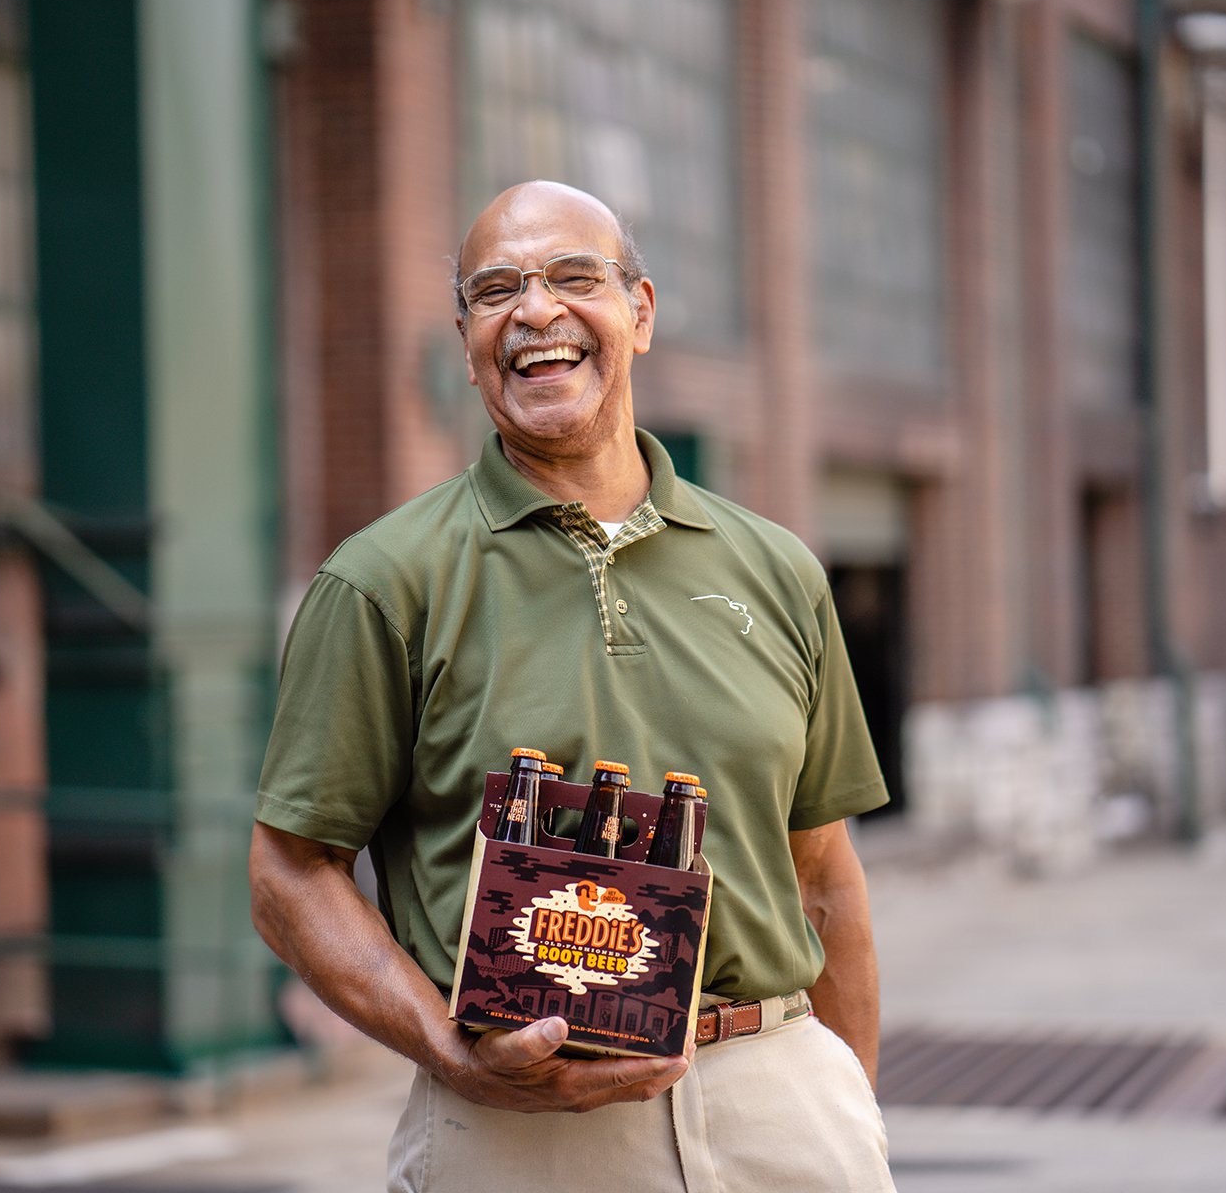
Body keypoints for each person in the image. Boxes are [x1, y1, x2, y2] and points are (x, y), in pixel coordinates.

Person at [251, 180, 895, 1191]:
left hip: (778, 1100)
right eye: (497, 289)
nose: (536, 311)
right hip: (519, 1130)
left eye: (572, 278)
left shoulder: (777, 570)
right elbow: (290, 874)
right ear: (466, 337)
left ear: (639, 312)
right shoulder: (382, 582)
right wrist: (450, 1053)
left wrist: (843, 1102)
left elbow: (823, 876)